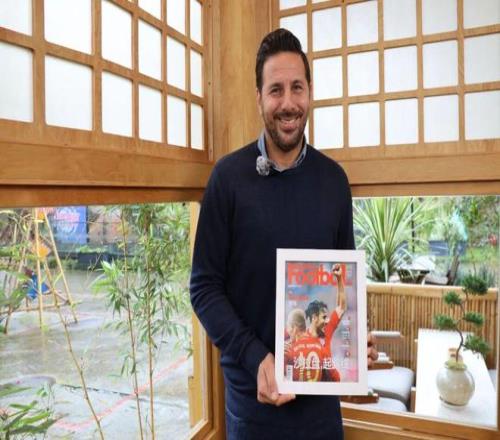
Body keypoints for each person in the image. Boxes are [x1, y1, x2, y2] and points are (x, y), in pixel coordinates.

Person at [190, 28, 377, 439]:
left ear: (310, 93)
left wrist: (353, 344)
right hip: (252, 409)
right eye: (276, 90)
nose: (288, 103)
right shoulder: (228, 178)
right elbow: (203, 287)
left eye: (297, 88)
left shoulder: (334, 181)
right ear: (259, 97)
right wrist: (256, 357)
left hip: (321, 416)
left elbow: (343, 281)